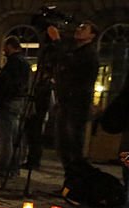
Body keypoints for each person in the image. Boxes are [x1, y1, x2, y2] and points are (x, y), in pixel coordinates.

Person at [49, 22, 99, 171]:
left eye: (84, 28)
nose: (78, 29)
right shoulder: (76, 51)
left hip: (76, 105)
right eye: (79, 26)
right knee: (63, 144)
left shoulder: (89, 53)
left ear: (92, 35)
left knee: (72, 144)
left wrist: (57, 40)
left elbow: (70, 64)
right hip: (66, 102)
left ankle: (75, 181)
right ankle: (69, 181)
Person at [0, 36, 29, 179]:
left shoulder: (14, 63)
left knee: (6, 138)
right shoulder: (24, 63)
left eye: (5, 47)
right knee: (14, 138)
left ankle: (5, 168)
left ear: (10, 46)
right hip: (18, 102)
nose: (3, 50)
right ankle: (14, 168)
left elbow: (7, 84)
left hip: (9, 102)